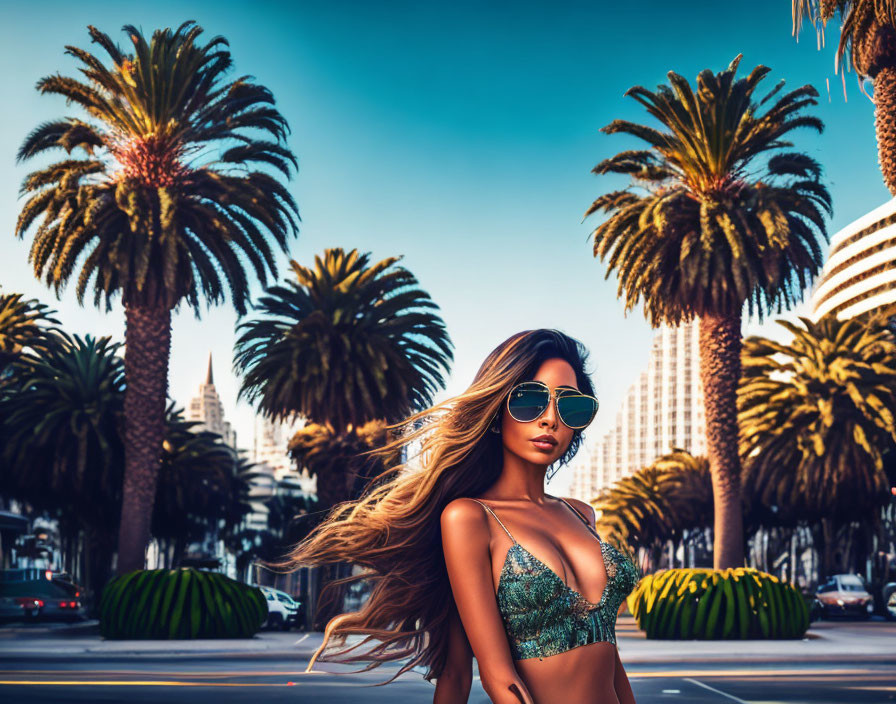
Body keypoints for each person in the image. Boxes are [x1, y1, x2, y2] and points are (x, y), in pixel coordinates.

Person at [270, 329, 640, 703]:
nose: (549, 420)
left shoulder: (581, 515)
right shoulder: (468, 519)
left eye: (569, 406)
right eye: (530, 401)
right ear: (496, 414)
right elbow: (498, 677)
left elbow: (609, 657)